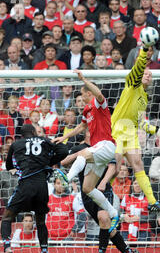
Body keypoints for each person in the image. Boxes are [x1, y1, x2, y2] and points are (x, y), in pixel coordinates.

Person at [52, 70, 121, 231]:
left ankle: (67, 178)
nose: (81, 99)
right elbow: (81, 126)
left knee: (83, 154)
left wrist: (84, 79)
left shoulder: (98, 104)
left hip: (107, 145)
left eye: (82, 96)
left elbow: (99, 93)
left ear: (87, 93)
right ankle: (113, 212)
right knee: (87, 188)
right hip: (98, 152)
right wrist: (63, 138)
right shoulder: (86, 110)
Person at [110, 41, 160, 214]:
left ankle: (152, 201)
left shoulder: (144, 97)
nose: (148, 76)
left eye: (150, 75)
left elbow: (141, 122)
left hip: (131, 132)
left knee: (138, 164)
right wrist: (144, 52)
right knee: (116, 165)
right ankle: (102, 187)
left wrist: (158, 130)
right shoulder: (132, 84)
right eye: (146, 73)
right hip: (118, 129)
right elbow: (138, 66)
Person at [0, 124, 68, 253]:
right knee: (41, 222)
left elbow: (8, 166)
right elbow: (64, 151)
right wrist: (47, 163)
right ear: (33, 132)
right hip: (42, 186)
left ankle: (7, 247)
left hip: (26, 185)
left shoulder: (16, 144)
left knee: (7, 217)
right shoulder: (45, 140)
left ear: (22, 135)